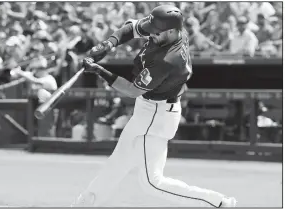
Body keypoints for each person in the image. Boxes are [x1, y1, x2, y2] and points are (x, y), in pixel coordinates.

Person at [71, 5, 237, 208]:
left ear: (170, 31)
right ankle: (85, 203)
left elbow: (133, 91)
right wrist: (107, 45)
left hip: (156, 115)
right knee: (119, 160)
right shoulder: (170, 30)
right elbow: (130, 28)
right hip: (151, 108)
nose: (151, 34)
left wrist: (100, 71)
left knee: (151, 182)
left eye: (156, 32)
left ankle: (218, 202)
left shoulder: (168, 59)